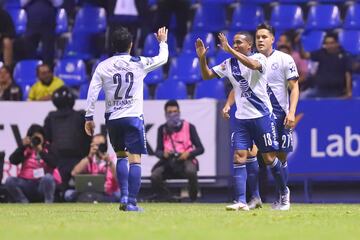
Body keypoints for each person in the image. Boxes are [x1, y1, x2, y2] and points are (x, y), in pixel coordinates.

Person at [196, 30, 289, 211]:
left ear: (249, 46)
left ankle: (284, 192)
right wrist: (201, 58)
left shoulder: (260, 58)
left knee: (269, 158)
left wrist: (230, 49)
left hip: (262, 116)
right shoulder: (229, 64)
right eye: (234, 42)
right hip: (241, 119)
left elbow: (253, 65)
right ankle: (241, 201)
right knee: (239, 156)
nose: (236, 45)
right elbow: (207, 75)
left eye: (239, 42)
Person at [84, 26, 169, 211]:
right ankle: (131, 202)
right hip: (132, 117)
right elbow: (163, 59)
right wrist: (162, 42)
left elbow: (92, 92)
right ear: (131, 45)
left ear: (113, 45)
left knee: (120, 156)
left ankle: (123, 196)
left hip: (113, 119)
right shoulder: (138, 62)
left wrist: (89, 116)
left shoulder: (103, 66)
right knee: (135, 159)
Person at [254, 23, 299, 210]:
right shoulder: (251, 61)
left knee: (281, 156)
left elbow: (294, 87)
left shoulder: (284, 59)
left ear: (273, 39)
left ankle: (282, 193)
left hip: (281, 114)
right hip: (261, 116)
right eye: (257, 37)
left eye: (264, 37)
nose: (260, 40)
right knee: (267, 157)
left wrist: (291, 112)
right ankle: (284, 193)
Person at [151, 100, 204, 202]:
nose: (173, 114)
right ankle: (169, 198)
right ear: (165, 114)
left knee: (191, 171)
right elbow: (157, 151)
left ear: (179, 112)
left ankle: (193, 198)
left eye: (175, 111)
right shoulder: (161, 129)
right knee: (155, 175)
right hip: (168, 162)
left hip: (185, 160)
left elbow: (200, 149)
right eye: (169, 112)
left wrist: (188, 153)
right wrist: (164, 154)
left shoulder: (189, 127)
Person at [44, 86, 91, 189]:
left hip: (61, 161)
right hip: (76, 161)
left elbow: (47, 139)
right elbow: (88, 139)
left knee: (62, 191)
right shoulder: (80, 116)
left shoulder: (51, 117)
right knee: (78, 190)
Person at [4, 124, 61, 203]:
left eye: (38, 138)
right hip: (26, 183)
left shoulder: (48, 147)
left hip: (41, 184)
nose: (36, 140)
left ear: (43, 137)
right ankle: (23, 202)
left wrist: (41, 151)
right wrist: (22, 147)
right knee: (9, 180)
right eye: (34, 138)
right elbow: (13, 160)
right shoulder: (25, 149)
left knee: (48, 178)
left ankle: (48, 203)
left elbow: (54, 163)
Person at [64, 134, 120, 202]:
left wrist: (109, 162)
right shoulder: (89, 159)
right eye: (95, 145)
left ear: (106, 146)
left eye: (100, 145)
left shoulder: (113, 158)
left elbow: (120, 179)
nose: (97, 148)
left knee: (120, 195)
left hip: (108, 193)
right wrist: (89, 156)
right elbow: (74, 173)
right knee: (68, 194)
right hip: (89, 191)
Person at [297, 32, 352, 98]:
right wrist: (299, 44)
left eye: (331, 43)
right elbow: (304, 56)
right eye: (327, 43)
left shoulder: (345, 56)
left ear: (337, 43)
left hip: (336, 92)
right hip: (319, 90)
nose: (329, 46)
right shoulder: (321, 52)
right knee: (302, 97)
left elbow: (348, 74)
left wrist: (349, 92)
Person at [21, 0, 63, 65]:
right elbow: (22, 3)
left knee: (48, 51)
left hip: (48, 22)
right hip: (32, 21)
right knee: (29, 50)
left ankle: (48, 70)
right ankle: (30, 70)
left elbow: (58, 3)